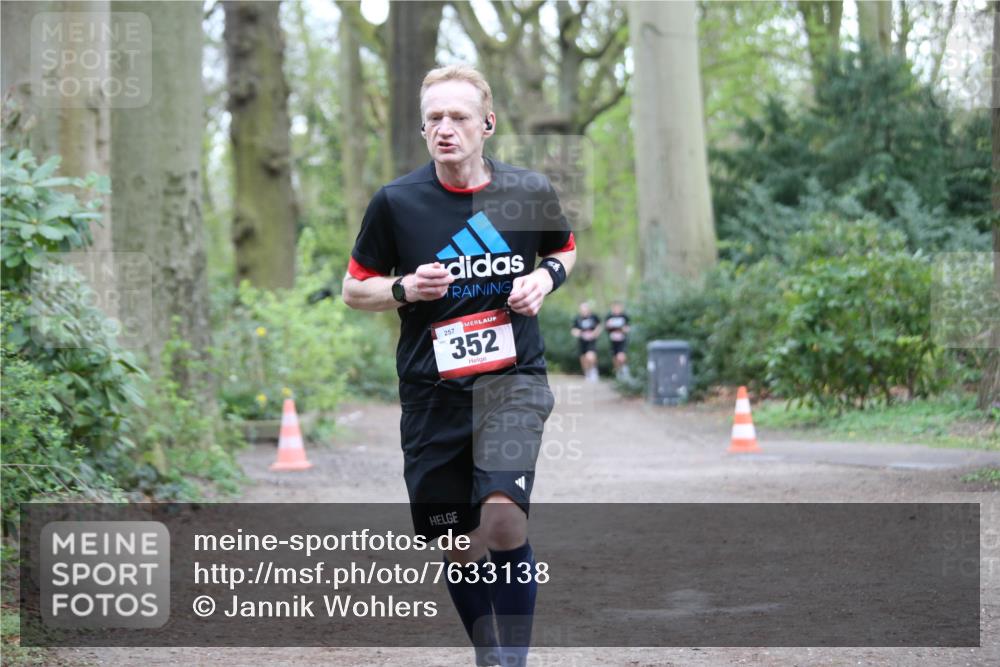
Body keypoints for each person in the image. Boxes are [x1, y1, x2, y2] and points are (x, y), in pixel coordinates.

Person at [341, 64, 576, 667]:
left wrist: (542, 282)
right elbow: (353, 289)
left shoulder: (525, 192)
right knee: (455, 538)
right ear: (424, 131)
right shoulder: (396, 203)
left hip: (511, 381)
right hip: (431, 394)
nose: (446, 129)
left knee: (501, 521)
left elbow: (563, 248)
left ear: (487, 124)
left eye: (459, 117)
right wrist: (404, 289)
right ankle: (490, 653)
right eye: (435, 119)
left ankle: (512, 662)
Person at [571, 302, 601, 382]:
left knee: (590, 356)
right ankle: (587, 373)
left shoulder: (594, 317)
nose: (584, 311)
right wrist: (580, 333)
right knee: (583, 358)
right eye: (582, 310)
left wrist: (594, 333)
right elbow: (574, 330)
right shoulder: (577, 318)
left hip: (591, 341)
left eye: (585, 309)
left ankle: (593, 371)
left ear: (588, 309)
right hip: (582, 342)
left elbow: (599, 326)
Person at [604, 301, 631, 378]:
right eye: (614, 307)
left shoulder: (624, 316)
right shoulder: (609, 316)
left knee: (622, 356)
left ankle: (625, 370)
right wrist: (608, 325)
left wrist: (622, 329)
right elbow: (606, 328)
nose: (616, 309)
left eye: (618, 307)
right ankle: (618, 372)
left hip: (622, 340)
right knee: (615, 357)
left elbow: (628, 328)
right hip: (613, 340)